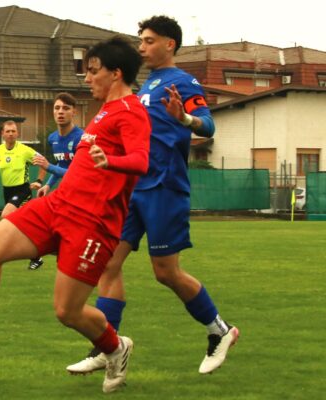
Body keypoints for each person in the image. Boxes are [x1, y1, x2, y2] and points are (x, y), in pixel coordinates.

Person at [0, 35, 151, 394]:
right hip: (58, 206)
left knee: (67, 311)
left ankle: (116, 346)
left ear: (116, 73)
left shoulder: (132, 111)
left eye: (93, 71)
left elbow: (141, 160)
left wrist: (111, 161)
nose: (87, 78)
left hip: (93, 223)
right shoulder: (104, 110)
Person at [66, 15, 239, 377]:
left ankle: (219, 331)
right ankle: (106, 347)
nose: (141, 47)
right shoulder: (146, 84)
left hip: (164, 186)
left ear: (169, 44)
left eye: (148, 40)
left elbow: (207, 125)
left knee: (166, 272)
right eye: (141, 41)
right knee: (109, 265)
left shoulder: (182, 82)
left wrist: (185, 119)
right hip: (132, 189)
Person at [0, 120, 47, 270]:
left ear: (17, 133)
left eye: (13, 131)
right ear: (2, 134)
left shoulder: (25, 150)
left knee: (6, 215)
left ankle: (4, 249)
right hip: (7, 191)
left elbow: (43, 162)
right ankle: (37, 255)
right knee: (24, 226)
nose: (10, 134)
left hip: (22, 190)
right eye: (7, 131)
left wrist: (39, 181)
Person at [33, 92, 83, 198]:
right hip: (68, 190)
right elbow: (62, 164)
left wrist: (48, 166)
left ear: (74, 112)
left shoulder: (81, 138)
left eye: (66, 108)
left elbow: (78, 174)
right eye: (57, 108)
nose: (60, 112)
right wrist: (48, 185)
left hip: (85, 192)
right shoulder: (52, 138)